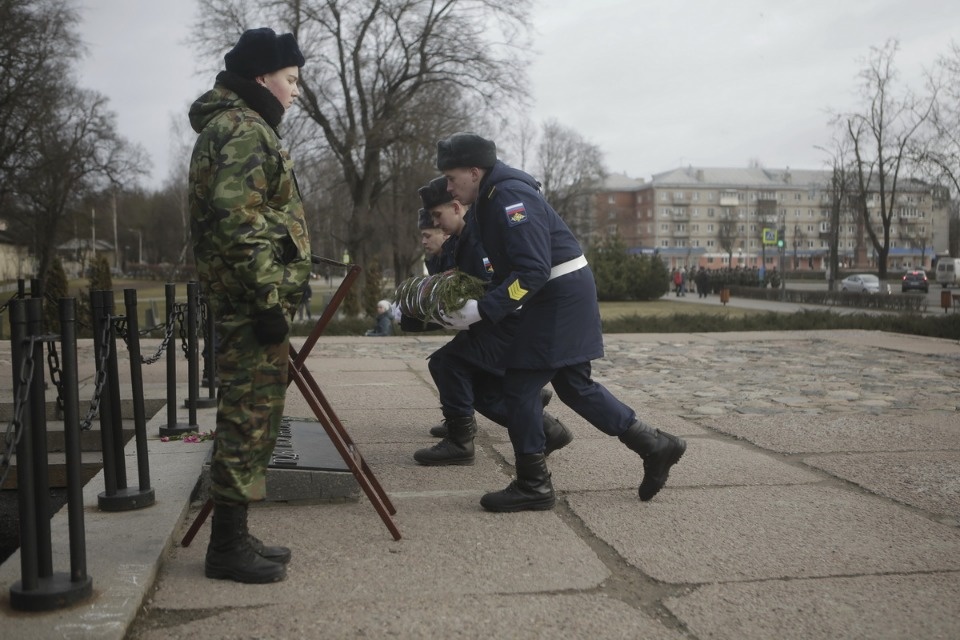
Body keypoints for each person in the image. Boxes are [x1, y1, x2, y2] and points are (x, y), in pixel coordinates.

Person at [435, 132, 686, 512]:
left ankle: (533, 485)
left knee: (519, 388)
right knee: (573, 385)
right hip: (558, 294)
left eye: (452, 178)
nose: (448, 187)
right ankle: (654, 445)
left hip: (557, 297)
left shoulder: (506, 196)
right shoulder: (494, 194)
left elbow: (533, 269)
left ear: (474, 171)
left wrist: (485, 310)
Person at [189, 27, 310, 583]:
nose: (294, 92)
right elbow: (240, 223)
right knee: (248, 418)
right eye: (290, 80)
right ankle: (226, 549)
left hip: (245, 297)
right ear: (263, 77)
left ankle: (236, 534)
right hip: (248, 304)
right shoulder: (241, 128)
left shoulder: (240, 125)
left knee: (254, 418)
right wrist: (267, 298)